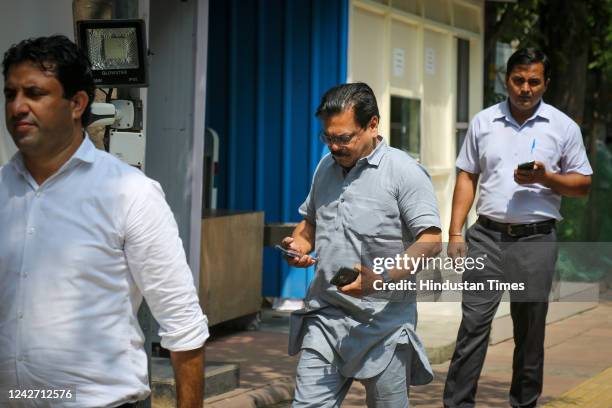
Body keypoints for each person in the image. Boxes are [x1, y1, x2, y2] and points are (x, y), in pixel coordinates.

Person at [0, 35, 208, 407]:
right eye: (10, 93)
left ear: (77, 103)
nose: (17, 106)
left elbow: (182, 323)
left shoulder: (129, 193)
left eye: (34, 93)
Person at [443, 48, 592, 408]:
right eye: (518, 80)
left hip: (536, 240)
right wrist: (455, 232)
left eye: (534, 81)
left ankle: (523, 403)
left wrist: (547, 177)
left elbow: (583, 184)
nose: (526, 88)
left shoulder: (562, 126)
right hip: (486, 238)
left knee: (529, 332)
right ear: (506, 80)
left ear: (546, 83)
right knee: (473, 328)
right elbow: (467, 175)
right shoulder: (484, 122)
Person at [280, 82, 442, 407]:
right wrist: (298, 245)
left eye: (344, 138)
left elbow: (431, 240)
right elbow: (310, 223)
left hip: (383, 324)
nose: (335, 147)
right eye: (328, 137)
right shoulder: (325, 167)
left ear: (372, 125)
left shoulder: (404, 172)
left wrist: (379, 281)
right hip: (325, 317)